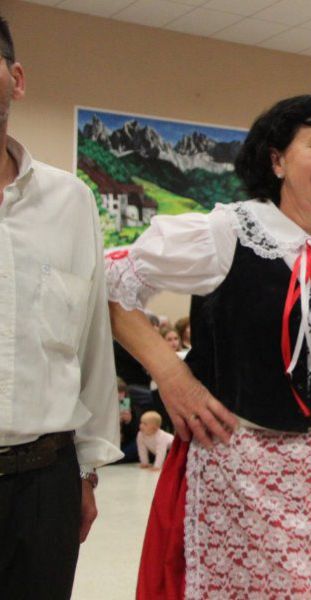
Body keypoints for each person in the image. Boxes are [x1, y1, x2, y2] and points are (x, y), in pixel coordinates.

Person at [106, 95, 311, 598]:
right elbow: (112, 285)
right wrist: (173, 377)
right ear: (277, 159)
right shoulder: (226, 232)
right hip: (238, 466)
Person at [0, 15, 122, 598]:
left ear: (15, 79)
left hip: (46, 482)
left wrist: (88, 471)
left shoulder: (70, 201)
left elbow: (91, 344)